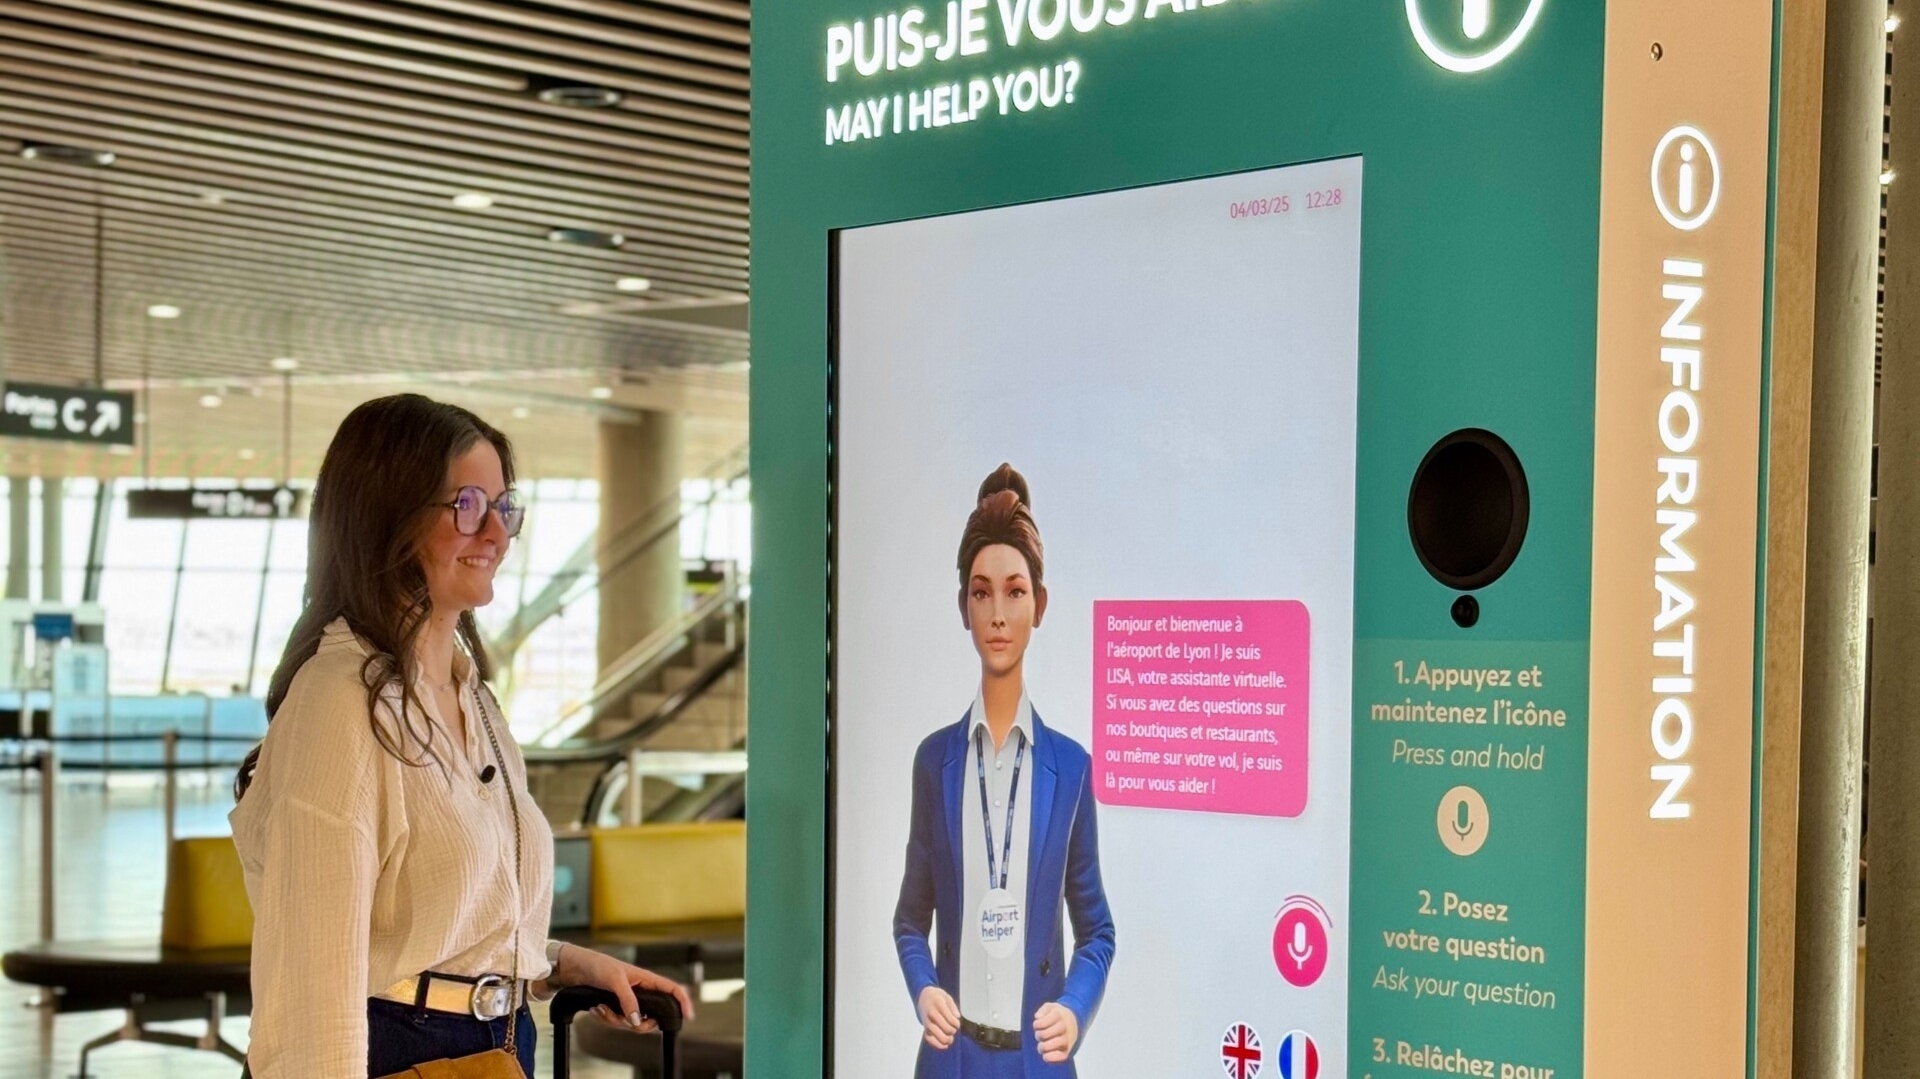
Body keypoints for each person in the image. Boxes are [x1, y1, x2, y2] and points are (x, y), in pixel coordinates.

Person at [229, 394, 693, 1078]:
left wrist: (555, 962)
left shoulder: (472, 697)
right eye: (468, 505)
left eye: (505, 507)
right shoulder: (338, 702)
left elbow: (430, 928)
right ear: (388, 516)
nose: (497, 534)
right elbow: (311, 981)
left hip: (494, 1045)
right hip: (394, 1051)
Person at [894, 464, 1116, 1078]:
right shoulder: (934, 762)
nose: (997, 614)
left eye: (1015, 592)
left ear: (1039, 605)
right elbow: (910, 919)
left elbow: (1097, 930)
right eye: (981, 592)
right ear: (964, 607)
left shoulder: (1070, 769)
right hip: (952, 1059)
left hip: (1036, 1061)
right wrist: (924, 989)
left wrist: (1075, 1009)